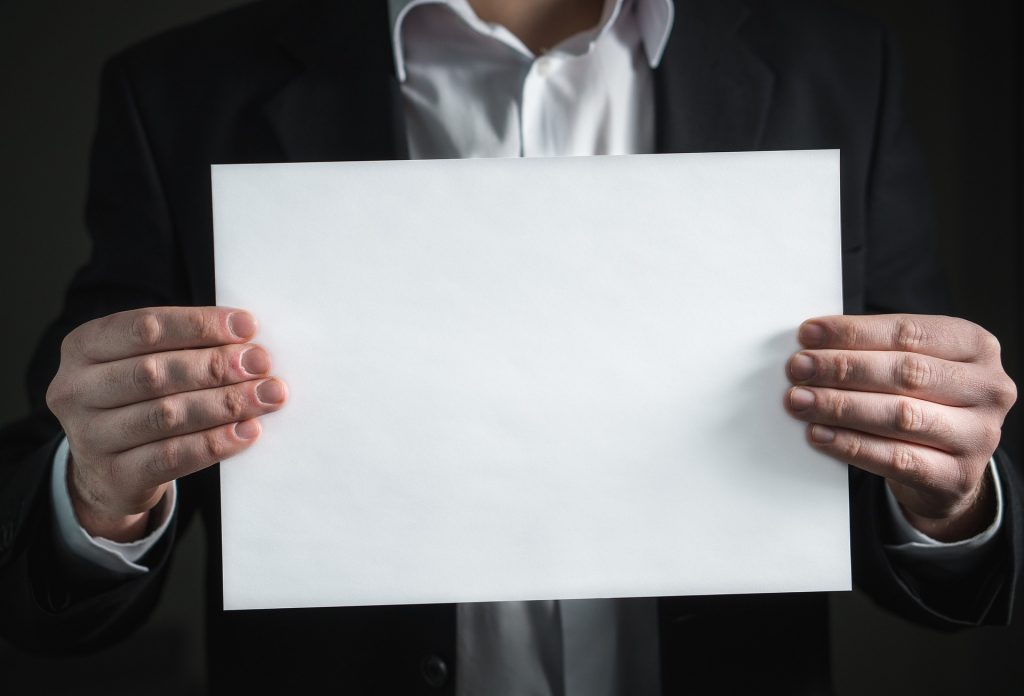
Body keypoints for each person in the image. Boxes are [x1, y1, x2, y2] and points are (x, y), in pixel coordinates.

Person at [0, 0, 1019, 693]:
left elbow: (931, 480)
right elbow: (52, 558)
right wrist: (96, 494)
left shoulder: (837, 64)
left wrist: (949, 495)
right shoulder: (181, 89)